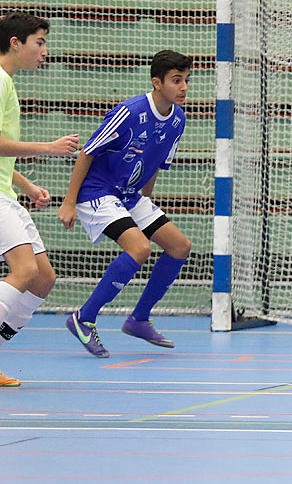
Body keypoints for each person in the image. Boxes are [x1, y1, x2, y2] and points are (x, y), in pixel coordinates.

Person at [57, 50, 192, 358]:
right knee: (140, 248)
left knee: (179, 246)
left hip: (131, 195)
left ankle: (139, 319)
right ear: (157, 82)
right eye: (176, 80)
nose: (183, 87)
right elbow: (87, 152)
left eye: (186, 80)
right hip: (97, 191)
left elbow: (156, 162)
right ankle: (84, 317)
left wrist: (147, 201)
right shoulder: (130, 111)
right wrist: (68, 202)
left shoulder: (178, 120)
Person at [0, 13, 79, 386]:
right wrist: (48, 147)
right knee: (25, 271)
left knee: (43, 278)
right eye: (39, 42)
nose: (44, 50)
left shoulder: (8, 82)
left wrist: (27, 185)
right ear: (16, 43)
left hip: (7, 194)